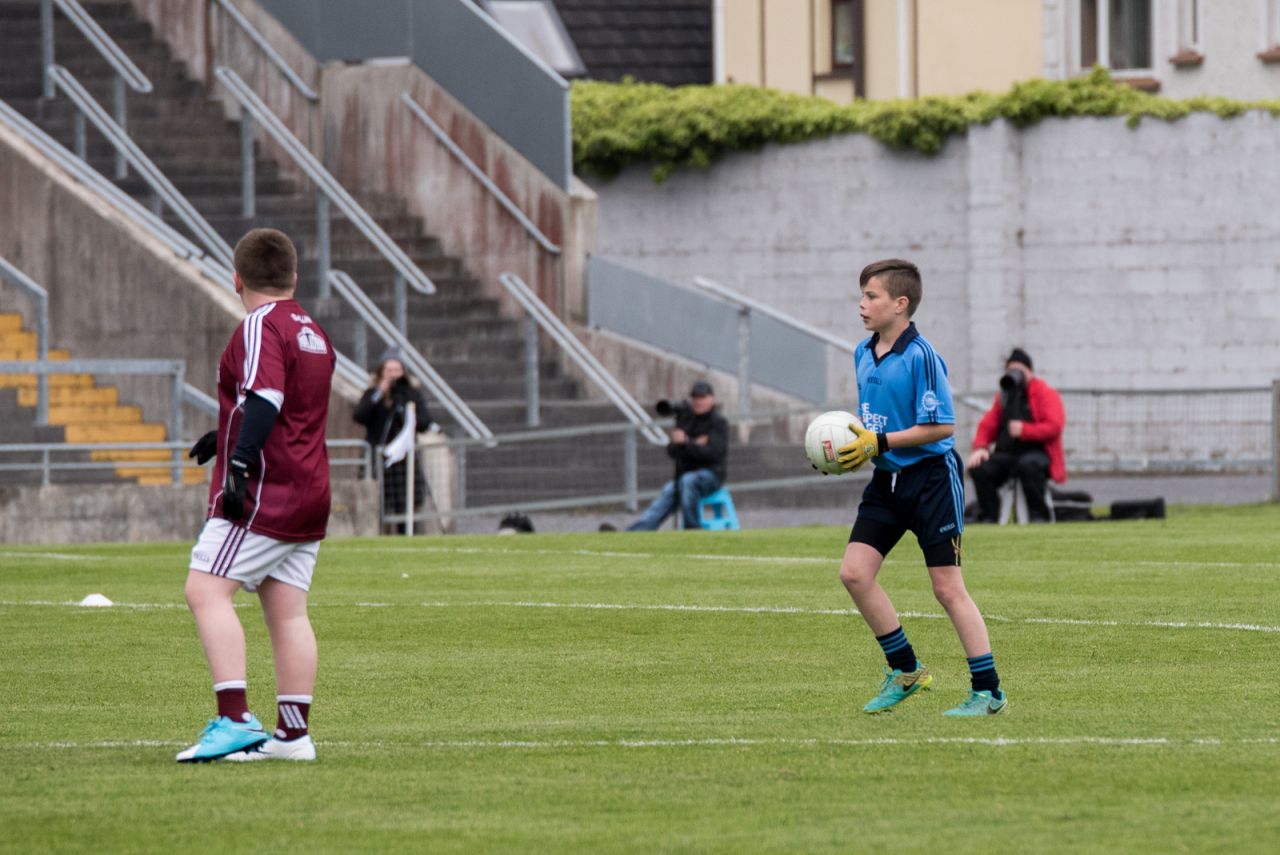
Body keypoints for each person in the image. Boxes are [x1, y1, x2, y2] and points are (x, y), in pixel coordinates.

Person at [178, 228, 336, 762]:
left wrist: (238, 463)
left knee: (205, 590)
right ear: (294, 278)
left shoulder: (258, 325)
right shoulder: (312, 330)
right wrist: (221, 435)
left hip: (268, 489)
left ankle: (234, 719)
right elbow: (284, 405)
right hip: (311, 489)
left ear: (236, 277)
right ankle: (292, 736)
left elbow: (266, 397)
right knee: (288, 611)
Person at [835, 259, 1007, 716]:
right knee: (854, 573)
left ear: (900, 304)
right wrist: (852, 449)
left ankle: (988, 691)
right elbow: (875, 425)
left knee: (947, 589)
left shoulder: (921, 356)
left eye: (871, 296)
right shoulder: (862, 352)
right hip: (885, 481)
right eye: (862, 295)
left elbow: (942, 426)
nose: (862, 304)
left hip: (931, 481)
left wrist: (881, 441)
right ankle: (906, 670)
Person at [966, 348, 1066, 523]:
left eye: (1019, 370)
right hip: (1007, 455)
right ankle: (990, 515)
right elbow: (987, 425)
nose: (1015, 375)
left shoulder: (1045, 393)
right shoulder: (1003, 397)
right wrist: (980, 448)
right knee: (978, 468)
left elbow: (1054, 426)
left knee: (1028, 465)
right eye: (1011, 370)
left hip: (1038, 453)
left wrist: (1025, 430)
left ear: (1029, 371)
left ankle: (1038, 516)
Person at [626, 380, 729, 531]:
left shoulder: (718, 423)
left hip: (711, 475)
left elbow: (714, 454)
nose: (698, 402)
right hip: (685, 475)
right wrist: (691, 443)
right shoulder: (686, 420)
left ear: (712, 399)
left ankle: (692, 529)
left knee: (688, 481)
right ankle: (636, 532)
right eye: (695, 398)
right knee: (669, 490)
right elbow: (672, 451)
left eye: (702, 398)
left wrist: (687, 442)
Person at [353, 348, 435, 533]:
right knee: (378, 503)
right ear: (381, 372)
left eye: (396, 370)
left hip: (404, 461)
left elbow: (424, 422)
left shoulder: (411, 394)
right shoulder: (373, 393)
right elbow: (359, 415)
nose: (393, 375)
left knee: (405, 504)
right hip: (379, 458)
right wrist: (379, 394)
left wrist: (402, 409)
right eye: (389, 370)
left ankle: (406, 533)